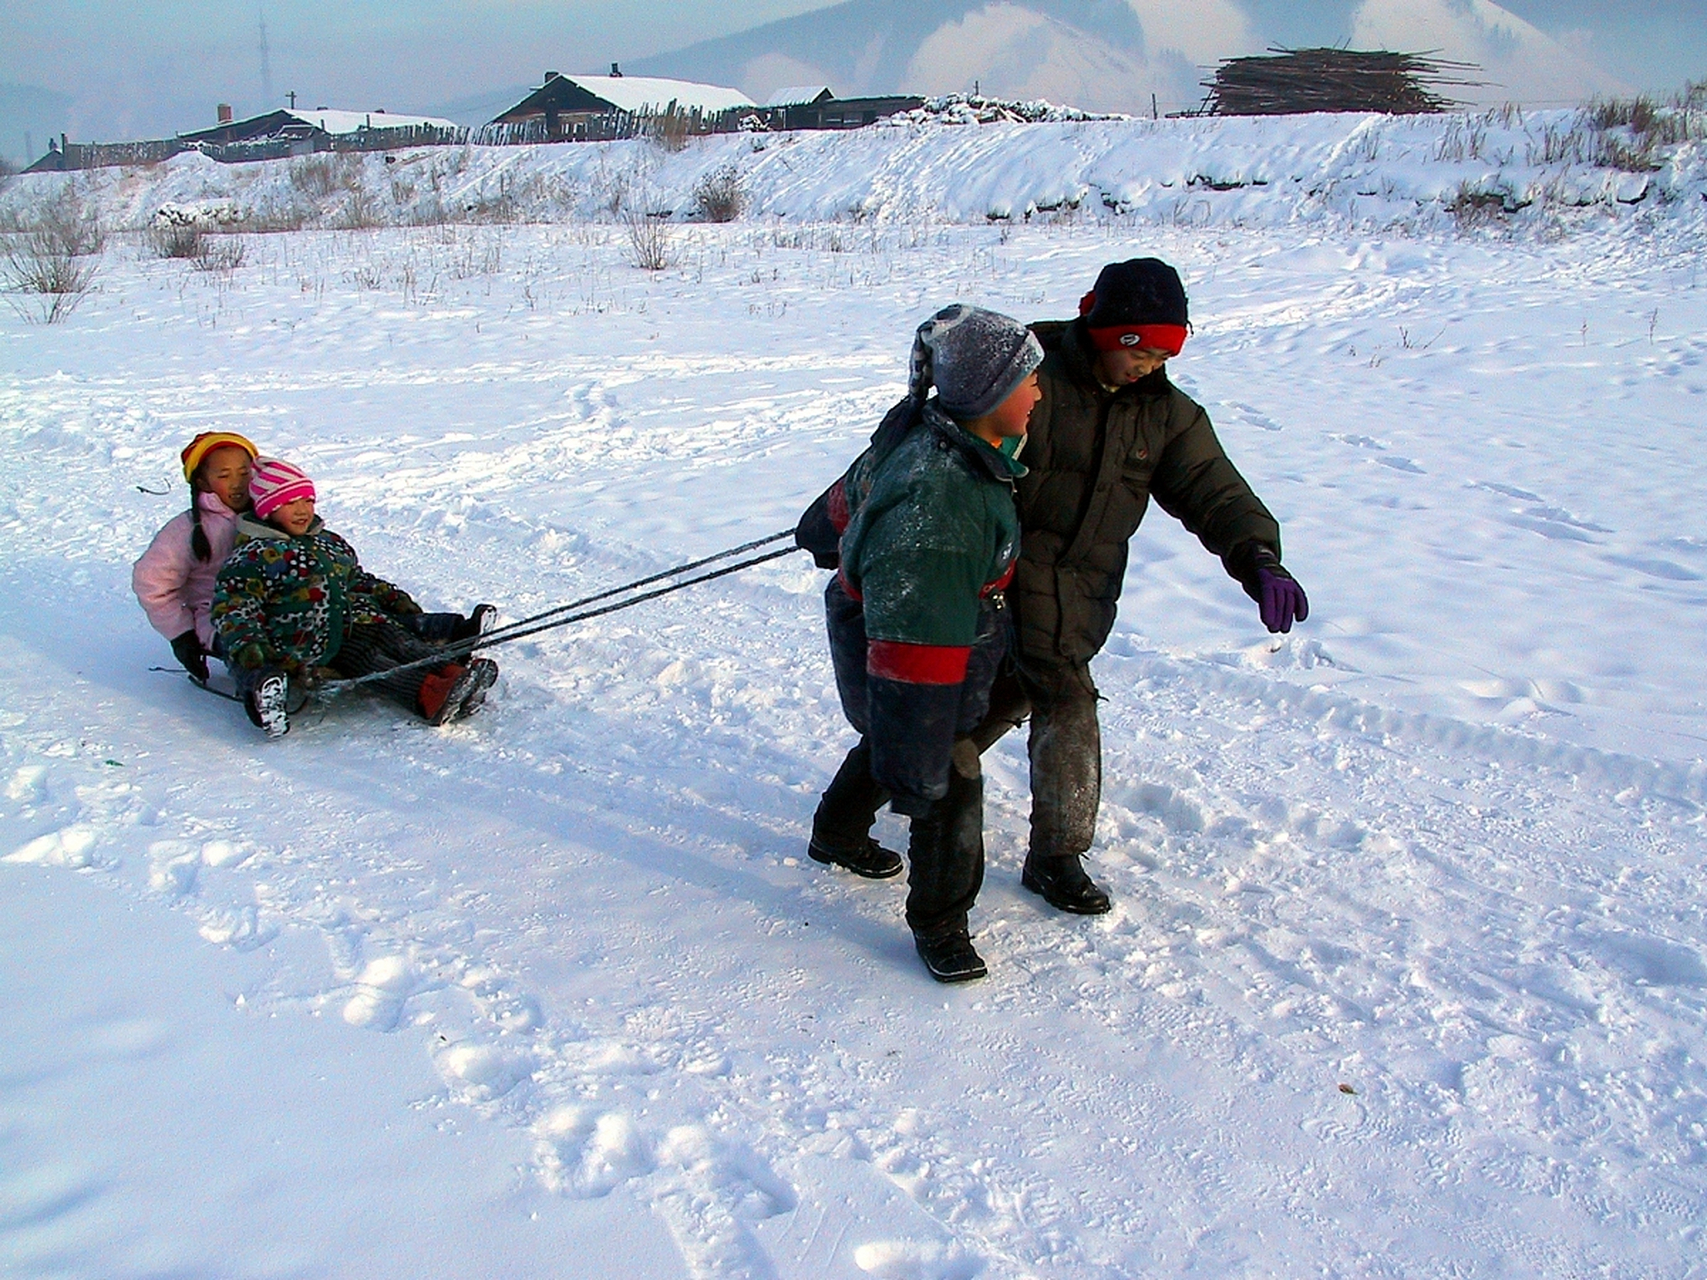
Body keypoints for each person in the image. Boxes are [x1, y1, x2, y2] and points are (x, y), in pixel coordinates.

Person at [983, 257, 1308, 915]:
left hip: (1077, 595)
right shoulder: (1025, 375)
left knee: (980, 717)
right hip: (991, 583)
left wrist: (1258, 558)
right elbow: (943, 454)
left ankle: (863, 809)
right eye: (1139, 350)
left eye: (1165, 354)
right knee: (1039, 706)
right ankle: (1051, 856)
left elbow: (1212, 490)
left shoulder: (1165, 416)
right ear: (1104, 331)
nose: (1149, 365)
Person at [800, 305, 1043, 983]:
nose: (1039, 394)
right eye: (1029, 381)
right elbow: (913, 671)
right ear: (987, 394)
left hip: (912, 630)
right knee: (944, 769)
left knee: (890, 736)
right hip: (912, 648)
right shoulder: (938, 505)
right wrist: (921, 762)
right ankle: (939, 921)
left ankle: (836, 833)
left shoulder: (928, 429)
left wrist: (835, 535)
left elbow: (839, 507)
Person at [211, 457, 498, 738]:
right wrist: (254, 654)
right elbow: (236, 609)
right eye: (289, 503)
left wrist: (394, 599)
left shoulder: (328, 541)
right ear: (266, 508)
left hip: (356, 620)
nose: (302, 511)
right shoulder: (254, 555)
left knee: (397, 640)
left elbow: (358, 580)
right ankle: (430, 695)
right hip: (305, 644)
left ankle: (454, 674)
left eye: (308, 501)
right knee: (372, 659)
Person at [133, 431, 259, 682]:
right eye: (224, 476)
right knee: (244, 642)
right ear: (202, 482)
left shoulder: (269, 514)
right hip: (219, 616)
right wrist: (181, 634)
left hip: (274, 606)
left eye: (244, 473)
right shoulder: (189, 530)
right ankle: (259, 683)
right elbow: (151, 582)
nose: (237, 482)